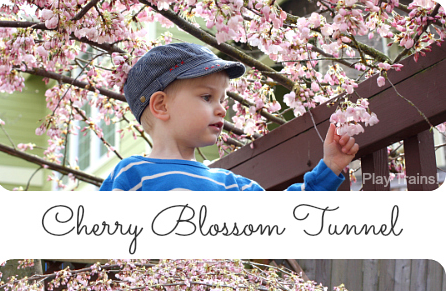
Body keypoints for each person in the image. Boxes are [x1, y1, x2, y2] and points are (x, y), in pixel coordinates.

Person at [100, 42, 359, 191]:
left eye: (223, 99)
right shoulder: (132, 175)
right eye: (206, 97)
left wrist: (330, 168)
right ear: (161, 106)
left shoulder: (231, 187)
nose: (222, 109)